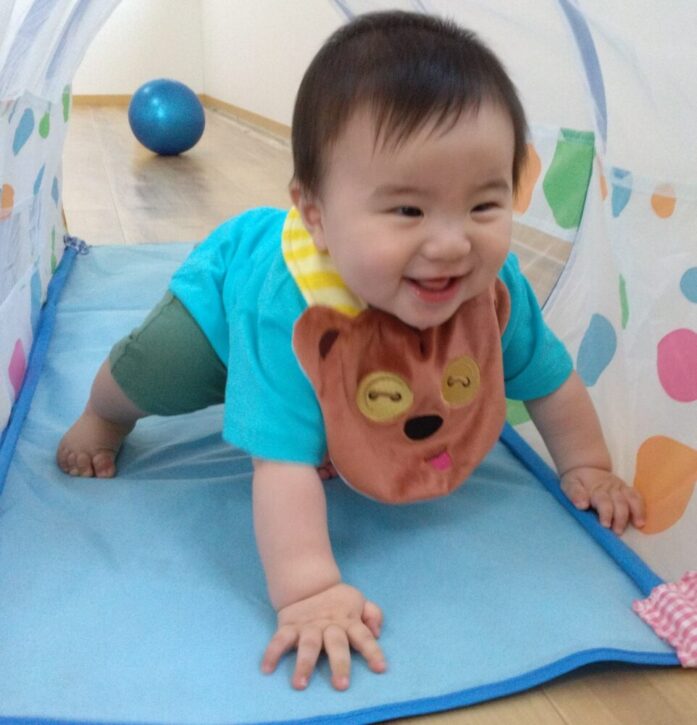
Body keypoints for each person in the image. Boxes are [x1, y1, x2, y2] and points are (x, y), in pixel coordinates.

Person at [56, 11, 645, 691]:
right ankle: (104, 413)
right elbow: (281, 464)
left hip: (342, 339)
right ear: (315, 215)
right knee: (156, 371)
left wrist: (586, 465)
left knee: (364, 397)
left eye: (484, 206)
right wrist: (308, 590)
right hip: (219, 310)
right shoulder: (292, 312)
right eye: (408, 211)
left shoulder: (490, 290)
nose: (452, 243)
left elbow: (548, 379)